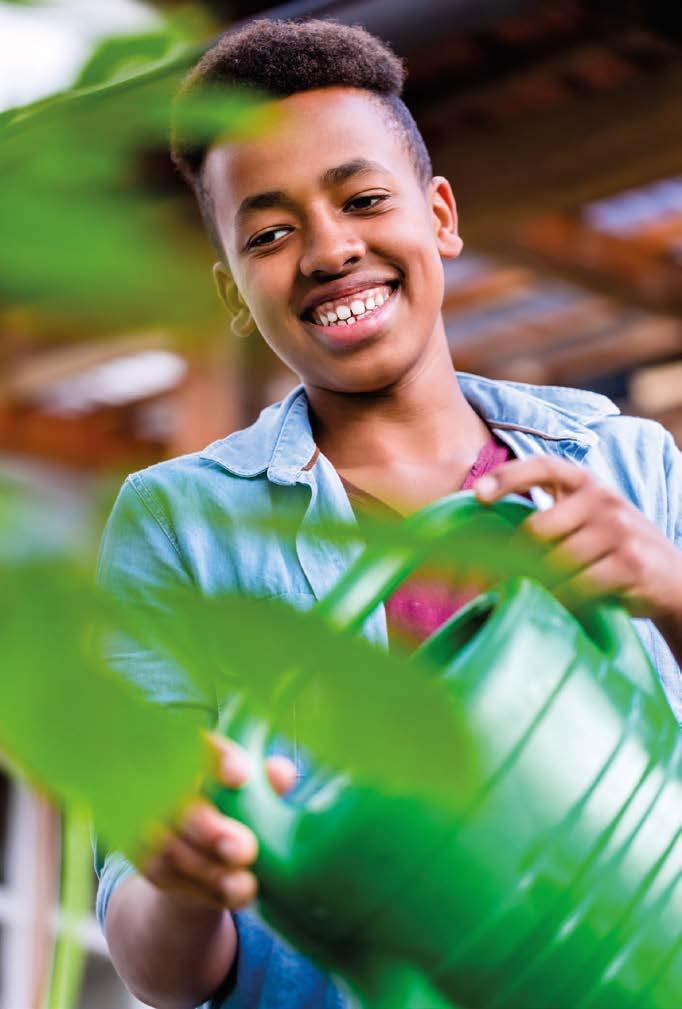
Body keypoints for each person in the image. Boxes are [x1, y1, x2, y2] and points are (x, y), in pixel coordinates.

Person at [96, 17, 682, 1009]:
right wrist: (180, 863)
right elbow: (158, 968)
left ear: (440, 215)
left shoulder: (625, 462)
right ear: (233, 291)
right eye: (270, 234)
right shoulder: (179, 524)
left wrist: (670, 597)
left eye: (362, 198)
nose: (328, 250)